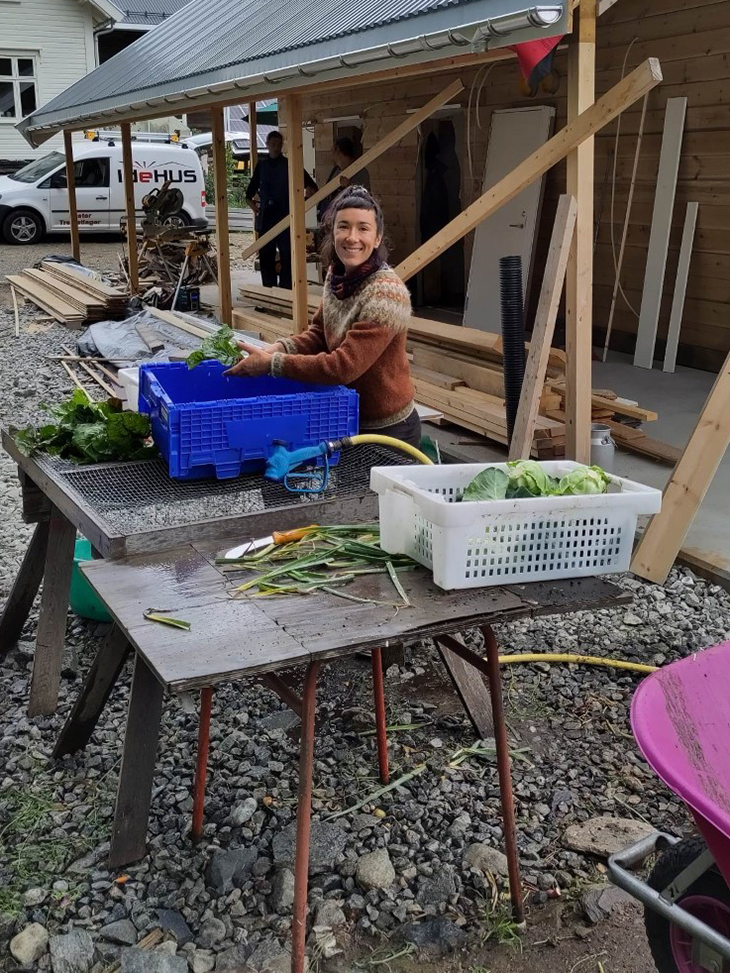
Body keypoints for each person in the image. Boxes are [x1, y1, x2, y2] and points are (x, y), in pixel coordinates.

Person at [226, 186, 421, 448]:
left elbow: (343, 366)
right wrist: (279, 347)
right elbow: (319, 333)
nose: (352, 237)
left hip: (387, 430)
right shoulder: (337, 275)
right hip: (345, 416)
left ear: (377, 238)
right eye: (344, 226)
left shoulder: (385, 294)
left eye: (363, 228)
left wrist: (273, 364)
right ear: (332, 232)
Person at [246, 130, 317, 288]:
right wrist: (256, 209)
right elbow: (248, 194)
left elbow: (312, 187)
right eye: (273, 144)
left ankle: (286, 291)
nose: (276, 147)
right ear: (267, 144)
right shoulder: (262, 166)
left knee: (287, 256)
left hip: (286, 217)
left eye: (278, 144)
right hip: (267, 219)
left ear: (282, 145)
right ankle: (269, 291)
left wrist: (303, 200)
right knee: (266, 257)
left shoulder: (289, 165)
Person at [316, 137, 371, 224]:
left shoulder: (360, 171)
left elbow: (365, 198)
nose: (331, 153)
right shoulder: (335, 171)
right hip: (333, 220)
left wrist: (349, 186)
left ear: (338, 150)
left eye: (333, 150)